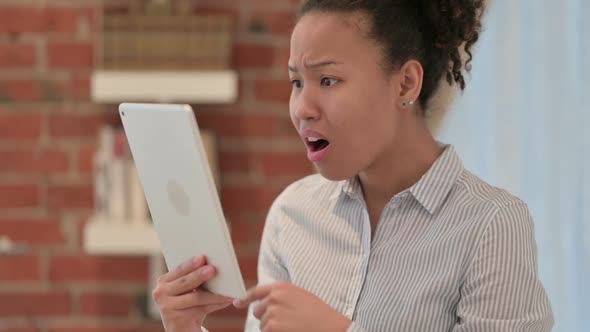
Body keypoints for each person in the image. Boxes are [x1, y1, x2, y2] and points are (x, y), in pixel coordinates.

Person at [152, 0, 554, 331]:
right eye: (296, 82)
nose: (302, 109)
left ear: (405, 84)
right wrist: (187, 328)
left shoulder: (492, 226)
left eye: (327, 80)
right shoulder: (293, 215)